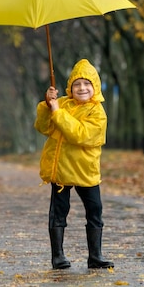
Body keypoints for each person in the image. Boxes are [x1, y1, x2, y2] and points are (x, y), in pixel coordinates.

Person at [34, 58, 114, 270]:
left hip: (85, 170)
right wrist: (47, 105)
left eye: (87, 84)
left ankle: (95, 256)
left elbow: (81, 134)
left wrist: (58, 112)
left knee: (94, 211)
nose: (82, 88)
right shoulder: (63, 104)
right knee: (59, 211)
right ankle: (57, 256)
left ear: (95, 87)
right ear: (70, 87)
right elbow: (44, 127)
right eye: (77, 84)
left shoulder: (97, 112)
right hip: (61, 170)